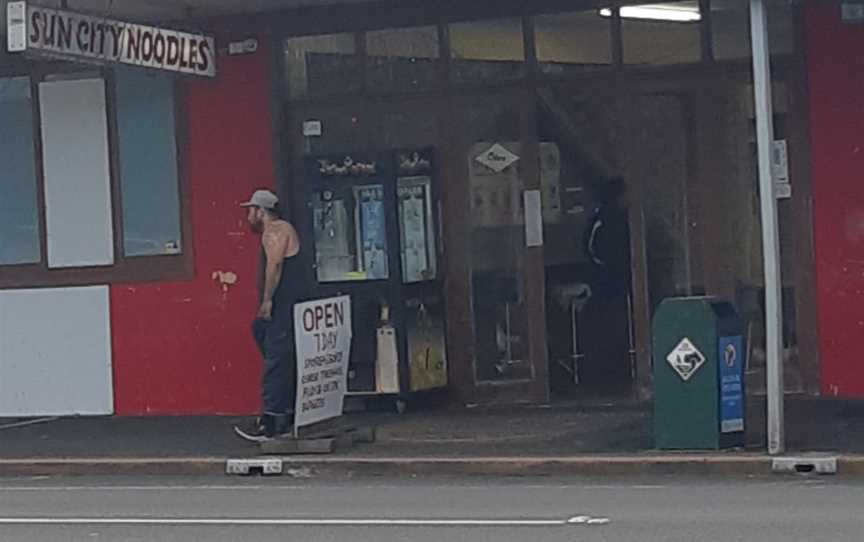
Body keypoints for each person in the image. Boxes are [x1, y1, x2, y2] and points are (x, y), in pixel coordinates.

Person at [234, 189, 303, 442]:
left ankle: (271, 421)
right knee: (265, 338)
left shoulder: (274, 231)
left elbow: (274, 265)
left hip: (283, 306)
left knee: (276, 360)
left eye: (250, 211)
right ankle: (287, 412)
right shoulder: (283, 229)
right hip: (289, 306)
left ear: (261, 212)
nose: (248, 217)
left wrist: (267, 300)